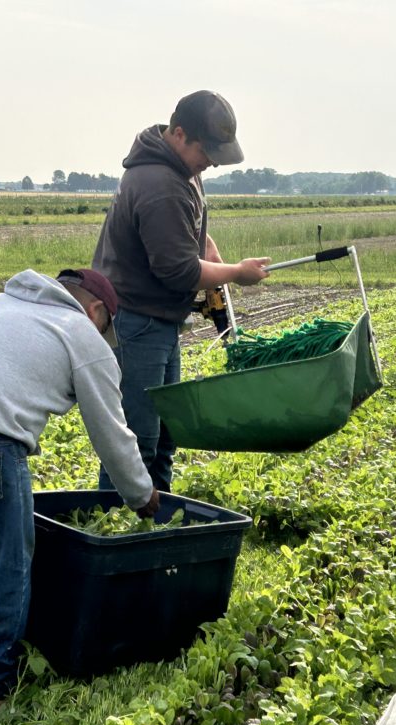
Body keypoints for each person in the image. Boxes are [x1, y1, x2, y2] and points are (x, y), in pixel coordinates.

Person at [0, 267, 159, 714]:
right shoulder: (79, 331)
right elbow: (112, 434)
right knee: (6, 568)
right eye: (105, 327)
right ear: (97, 310)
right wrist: (141, 495)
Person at [92, 90, 271, 493]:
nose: (211, 161)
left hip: (159, 322)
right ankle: (115, 528)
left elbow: (193, 237)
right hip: (136, 323)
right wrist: (235, 274)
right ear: (178, 133)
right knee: (137, 440)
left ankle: (157, 526)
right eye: (207, 150)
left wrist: (217, 260)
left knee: (165, 432)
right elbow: (178, 270)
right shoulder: (159, 184)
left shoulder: (181, 172)